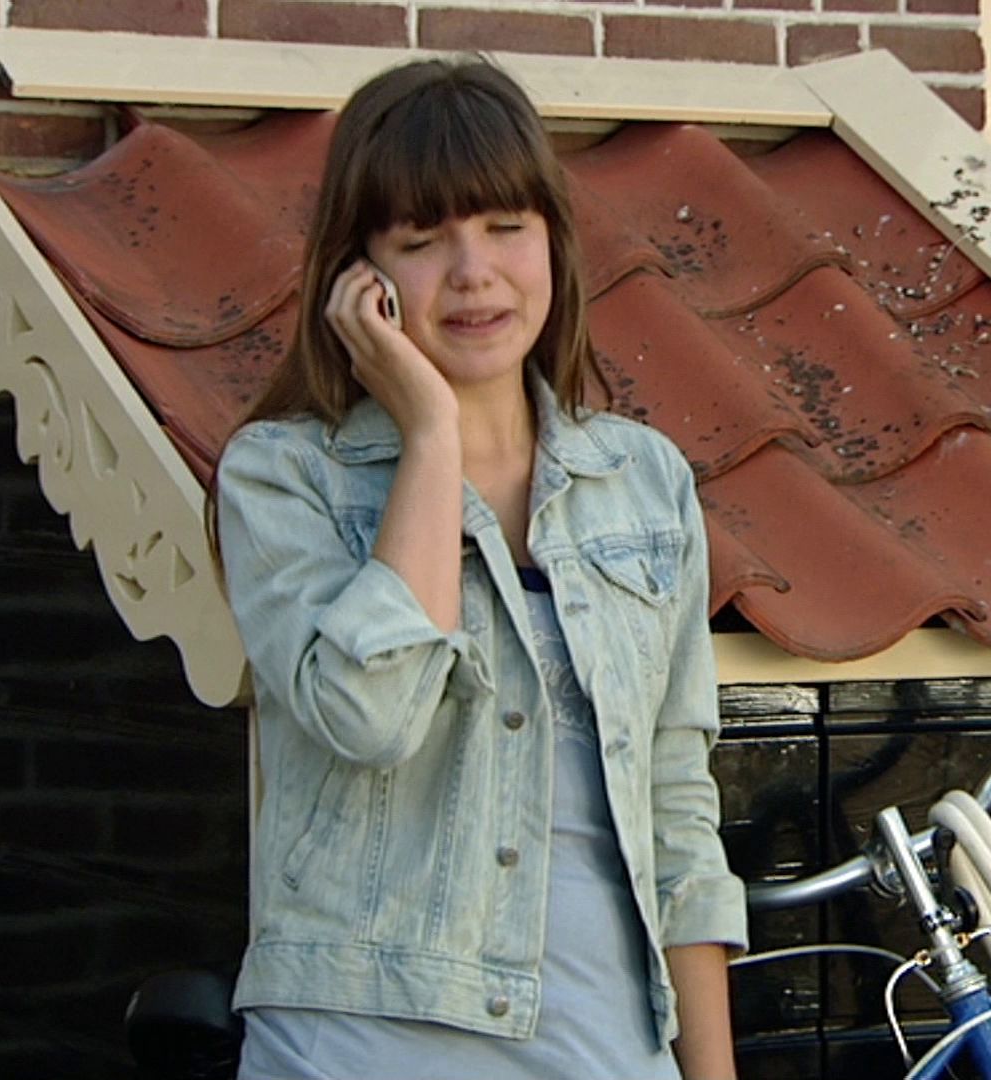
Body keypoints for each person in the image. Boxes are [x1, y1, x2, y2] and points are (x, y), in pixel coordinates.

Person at [207, 56, 748, 1080]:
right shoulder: (284, 477)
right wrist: (429, 434)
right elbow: (372, 718)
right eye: (422, 240)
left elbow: (677, 813)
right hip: (357, 1054)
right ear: (358, 276)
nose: (473, 272)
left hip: (607, 1052)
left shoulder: (644, 483)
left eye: (505, 226)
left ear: (553, 239)